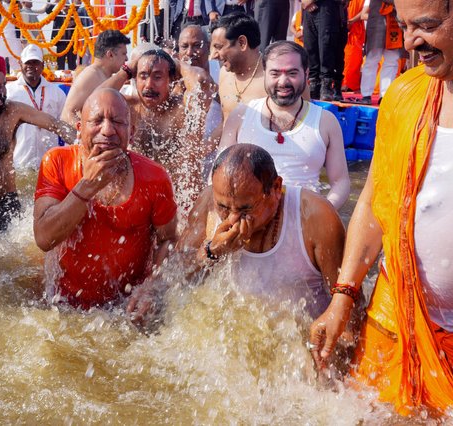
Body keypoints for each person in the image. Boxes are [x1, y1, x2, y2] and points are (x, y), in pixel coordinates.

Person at [308, 0, 453, 415]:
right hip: (394, 314)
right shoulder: (405, 96)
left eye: (425, 26)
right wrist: (343, 297)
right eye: (405, 26)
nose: (410, 42)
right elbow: (374, 202)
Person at [127, 144, 345, 325]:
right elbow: (176, 272)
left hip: (299, 338)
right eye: (223, 206)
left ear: (276, 189)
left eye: (245, 209)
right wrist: (212, 251)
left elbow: (346, 304)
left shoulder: (315, 217)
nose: (231, 219)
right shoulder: (207, 204)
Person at [33, 88, 178, 309]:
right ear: (80, 129)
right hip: (64, 308)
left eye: (118, 122)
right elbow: (44, 238)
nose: (108, 130)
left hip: (126, 308)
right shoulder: (57, 162)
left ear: (132, 132)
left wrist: (151, 288)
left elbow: (168, 240)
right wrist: (86, 187)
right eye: (97, 120)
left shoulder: (155, 177)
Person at [219, 41, 350, 210]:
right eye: (275, 74)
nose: (283, 82)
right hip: (249, 217)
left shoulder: (326, 121)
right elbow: (218, 173)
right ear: (265, 74)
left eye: (292, 73)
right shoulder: (241, 115)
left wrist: (323, 213)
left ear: (306, 74)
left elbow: (341, 182)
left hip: (305, 217)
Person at [0, 55, 75, 239]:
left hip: (6, 203)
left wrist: (83, 142)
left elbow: (55, 124)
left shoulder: (13, 112)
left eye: (4, 84)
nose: (2, 92)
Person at [100, 48, 214, 208]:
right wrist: (127, 69)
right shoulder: (128, 108)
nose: (149, 85)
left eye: (158, 77)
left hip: (179, 202)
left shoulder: (184, 108)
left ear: (172, 79)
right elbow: (96, 99)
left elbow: (201, 83)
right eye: (143, 76)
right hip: (139, 200)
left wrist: (177, 65)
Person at [6, 44, 67, 172]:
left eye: (35, 62)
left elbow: (65, 126)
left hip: (50, 164)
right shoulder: (9, 92)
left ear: (42, 65)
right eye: (27, 62)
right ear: (20, 64)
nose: (31, 66)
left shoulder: (56, 93)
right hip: (20, 163)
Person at [60, 30, 130, 124]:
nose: (126, 58)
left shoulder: (104, 75)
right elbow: (67, 114)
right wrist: (85, 136)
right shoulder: (91, 75)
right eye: (124, 54)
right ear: (110, 54)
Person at [210, 12, 266, 122]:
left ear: (242, 43)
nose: (214, 56)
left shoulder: (275, 79)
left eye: (219, 47)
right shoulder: (224, 73)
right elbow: (225, 125)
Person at [356, 0, 402, 105]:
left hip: (395, 24)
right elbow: (364, 13)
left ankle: (385, 96)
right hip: (376, 25)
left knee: (392, 60)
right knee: (372, 59)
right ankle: (366, 95)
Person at [302, 0, 345, 100]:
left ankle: (328, 86)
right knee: (310, 47)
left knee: (327, 47)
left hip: (328, 7)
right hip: (309, 10)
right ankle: (314, 85)